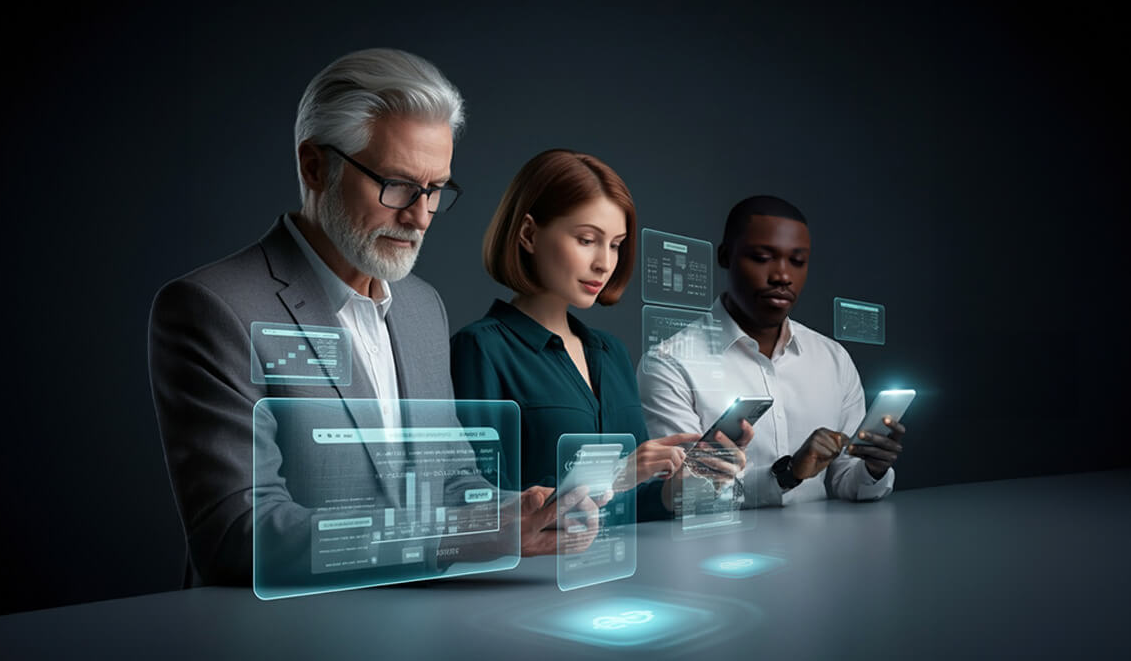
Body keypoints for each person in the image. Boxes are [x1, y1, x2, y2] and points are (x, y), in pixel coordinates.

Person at [148, 49, 587, 588]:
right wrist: (458, 535)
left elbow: (450, 482)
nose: (420, 216)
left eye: (436, 190)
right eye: (398, 185)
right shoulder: (213, 308)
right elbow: (240, 535)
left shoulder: (423, 307)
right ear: (315, 166)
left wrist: (530, 512)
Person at [450, 149, 753, 521]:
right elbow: (484, 503)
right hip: (538, 573)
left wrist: (678, 488)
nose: (605, 263)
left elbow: (634, 501)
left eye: (615, 244)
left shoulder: (611, 353)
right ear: (528, 234)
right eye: (586, 239)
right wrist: (613, 475)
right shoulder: (482, 348)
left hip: (626, 566)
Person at [637, 195, 906, 508]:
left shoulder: (833, 360)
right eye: (763, 257)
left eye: (797, 261)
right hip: (717, 553)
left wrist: (873, 469)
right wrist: (787, 474)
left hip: (826, 552)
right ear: (725, 256)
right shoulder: (669, 364)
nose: (782, 276)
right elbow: (684, 497)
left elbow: (847, 481)